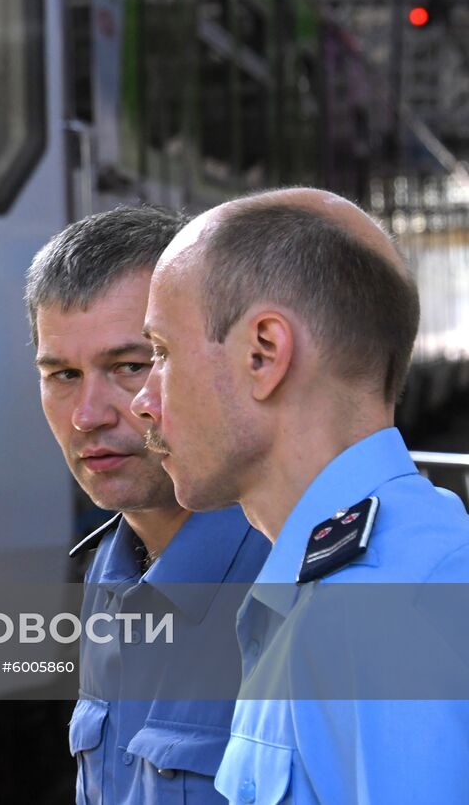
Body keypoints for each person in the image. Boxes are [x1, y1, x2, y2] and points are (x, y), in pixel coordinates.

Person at [132, 187, 469, 803]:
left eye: (161, 353)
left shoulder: (385, 616)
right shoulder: (386, 575)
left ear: (264, 354)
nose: (142, 401)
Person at [27, 205, 269, 805]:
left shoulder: (298, 582)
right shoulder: (110, 574)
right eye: (61, 375)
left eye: (130, 366)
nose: (88, 415)